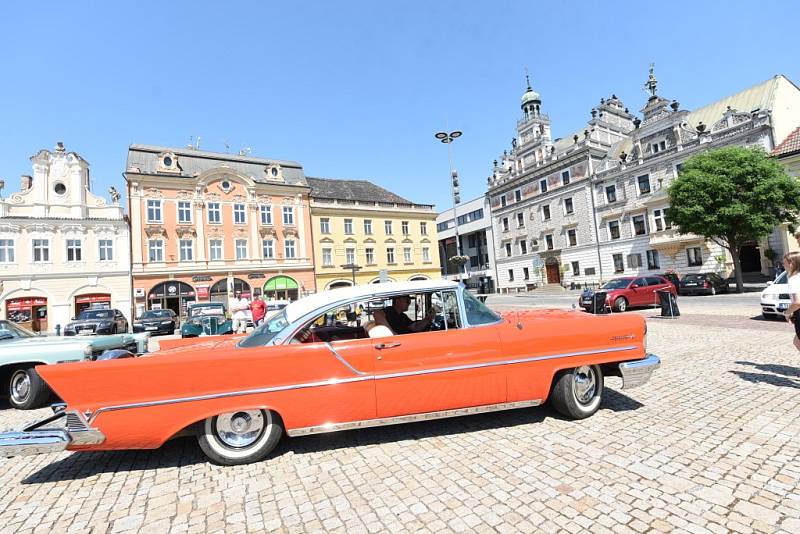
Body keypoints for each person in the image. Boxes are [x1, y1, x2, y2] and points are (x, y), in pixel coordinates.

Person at [782, 251, 800, 352]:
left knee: (798, 342)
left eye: (784, 263)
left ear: (792, 264)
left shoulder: (793, 279)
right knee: (797, 342)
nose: (783, 265)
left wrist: (787, 312)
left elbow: (798, 302)